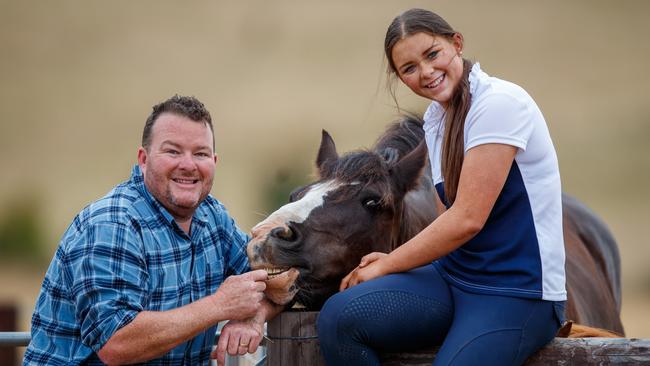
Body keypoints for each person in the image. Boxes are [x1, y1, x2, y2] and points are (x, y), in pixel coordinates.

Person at [317, 8, 566, 366]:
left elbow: (467, 219)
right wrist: (393, 259)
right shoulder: (437, 119)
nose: (426, 72)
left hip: (517, 293)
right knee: (339, 318)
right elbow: (444, 220)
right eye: (409, 68)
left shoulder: (499, 104)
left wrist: (388, 266)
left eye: (432, 54)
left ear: (456, 44)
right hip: (455, 278)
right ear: (401, 78)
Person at [24, 95, 281, 365]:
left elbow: (278, 279)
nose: (188, 164)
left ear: (214, 161)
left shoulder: (213, 218)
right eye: (173, 151)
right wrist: (220, 306)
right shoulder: (112, 224)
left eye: (201, 153)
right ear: (143, 159)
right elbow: (116, 343)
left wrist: (253, 318)